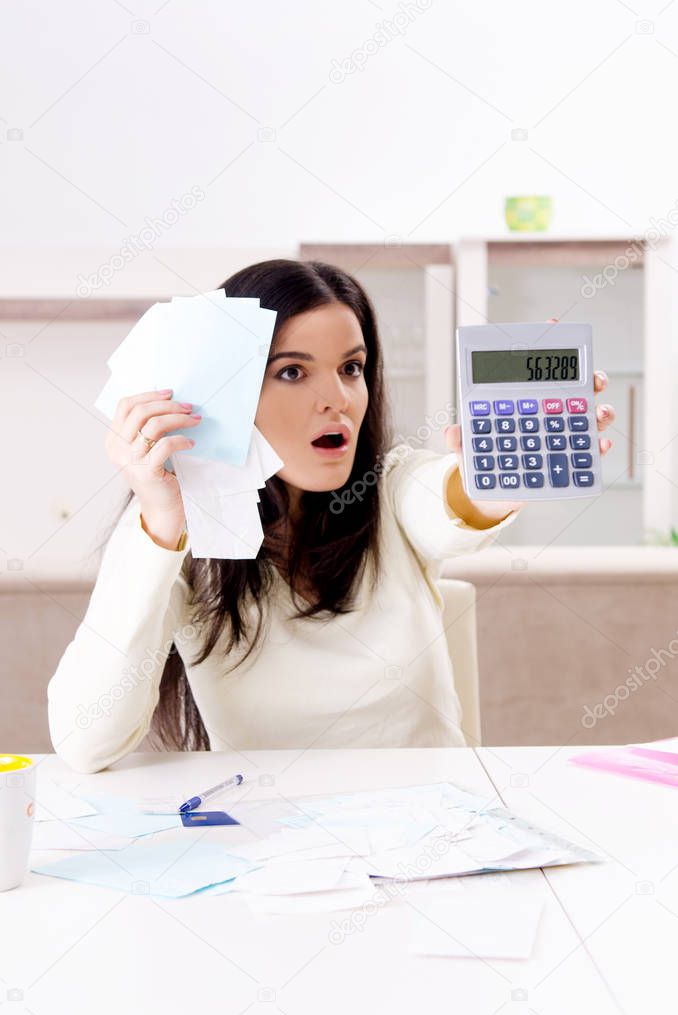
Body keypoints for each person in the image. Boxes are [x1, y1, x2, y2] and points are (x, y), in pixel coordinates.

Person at [47, 259, 615, 773]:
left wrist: (502, 472)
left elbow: (447, 498)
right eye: (293, 372)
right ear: (224, 392)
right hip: (272, 848)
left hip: (434, 831)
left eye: (351, 367)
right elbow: (85, 741)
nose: (338, 399)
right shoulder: (171, 538)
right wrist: (162, 526)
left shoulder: (390, 488)